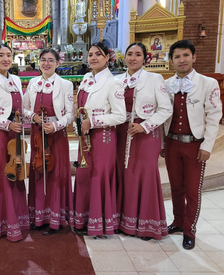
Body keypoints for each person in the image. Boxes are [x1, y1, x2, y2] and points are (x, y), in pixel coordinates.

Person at [162, 40, 222, 250]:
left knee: (192, 190)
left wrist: (207, 146)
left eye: (185, 55)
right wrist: (162, 142)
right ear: (171, 61)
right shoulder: (167, 85)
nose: (182, 60)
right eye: (177, 56)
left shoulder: (208, 83)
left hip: (195, 146)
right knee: (176, 187)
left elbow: (214, 116)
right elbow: (162, 116)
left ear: (193, 57)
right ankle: (178, 222)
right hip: (172, 143)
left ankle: (190, 230)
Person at [115, 42, 172, 240]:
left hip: (146, 133)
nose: (133, 58)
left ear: (145, 58)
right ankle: (124, 222)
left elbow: (166, 109)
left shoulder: (155, 79)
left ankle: (147, 225)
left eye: (138, 54)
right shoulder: (118, 80)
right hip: (123, 132)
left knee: (145, 175)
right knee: (125, 175)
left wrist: (145, 125)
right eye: (129, 54)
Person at [73, 42, 126, 236]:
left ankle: (99, 223)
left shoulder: (114, 82)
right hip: (85, 137)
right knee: (84, 176)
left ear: (107, 58)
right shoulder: (86, 78)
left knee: (98, 177)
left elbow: (120, 116)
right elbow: (80, 107)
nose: (93, 58)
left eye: (98, 54)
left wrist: (93, 121)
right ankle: (83, 219)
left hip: (102, 138)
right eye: (90, 54)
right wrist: (78, 123)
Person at [0, 44, 30, 242]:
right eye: (0, 55)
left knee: (17, 173)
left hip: (16, 134)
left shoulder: (16, 79)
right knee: (3, 174)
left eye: (9, 55)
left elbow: (20, 108)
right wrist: (7, 124)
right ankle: (1, 223)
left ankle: (17, 219)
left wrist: (32, 118)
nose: (5, 59)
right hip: (0, 135)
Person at [23, 49, 74, 235]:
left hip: (56, 134)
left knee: (55, 174)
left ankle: (55, 219)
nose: (46, 63)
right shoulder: (32, 83)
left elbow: (70, 114)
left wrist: (56, 126)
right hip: (38, 132)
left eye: (51, 60)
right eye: (43, 60)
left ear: (57, 63)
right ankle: (38, 217)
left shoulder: (66, 85)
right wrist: (33, 117)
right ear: (38, 62)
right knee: (39, 171)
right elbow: (25, 107)